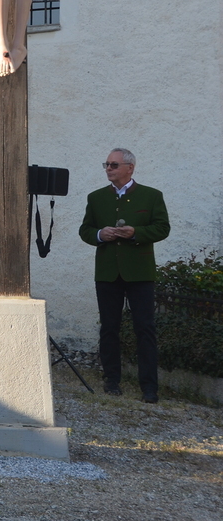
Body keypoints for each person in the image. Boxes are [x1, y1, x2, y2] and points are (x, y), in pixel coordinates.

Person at [79, 148, 169, 403]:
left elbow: (162, 228)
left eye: (114, 165)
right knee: (109, 327)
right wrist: (100, 235)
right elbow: (85, 230)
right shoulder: (96, 198)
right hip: (108, 272)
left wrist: (135, 233)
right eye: (106, 164)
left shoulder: (151, 196)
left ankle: (149, 387)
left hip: (140, 273)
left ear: (130, 168)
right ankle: (111, 380)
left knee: (145, 329)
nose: (108, 168)